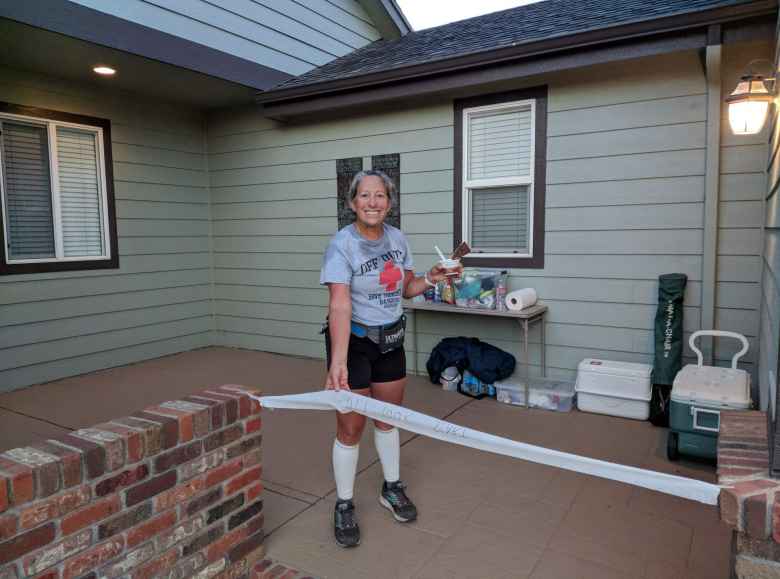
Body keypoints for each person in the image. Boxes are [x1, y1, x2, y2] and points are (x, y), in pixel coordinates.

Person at [319, 169, 461, 548]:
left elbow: (408, 289)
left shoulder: (398, 239)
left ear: (389, 202)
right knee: (351, 428)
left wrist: (432, 277)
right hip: (355, 343)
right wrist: (339, 360)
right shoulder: (341, 245)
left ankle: (391, 488)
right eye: (364, 196)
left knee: (389, 419)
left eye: (379, 195)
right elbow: (339, 304)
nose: (372, 202)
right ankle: (345, 503)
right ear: (352, 203)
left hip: (392, 340)